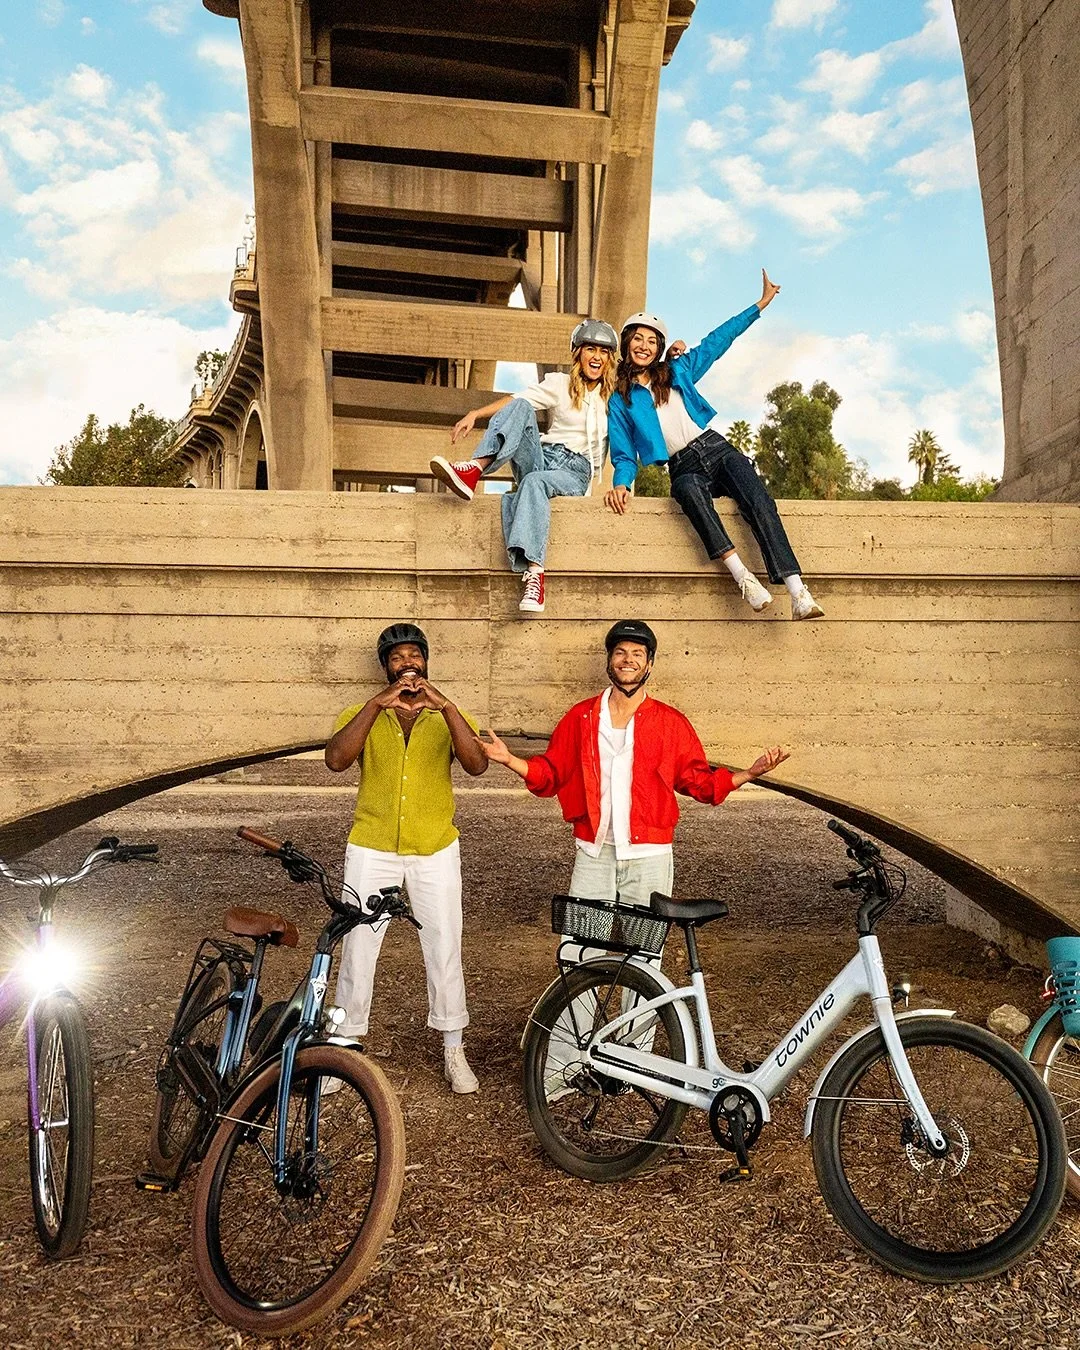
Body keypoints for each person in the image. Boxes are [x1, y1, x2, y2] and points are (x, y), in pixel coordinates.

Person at [479, 619, 788, 919]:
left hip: (649, 856)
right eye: (620, 652)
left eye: (637, 653)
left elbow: (699, 783)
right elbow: (550, 773)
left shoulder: (670, 723)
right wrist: (510, 759)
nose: (628, 660)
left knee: (642, 947)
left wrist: (749, 773)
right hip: (594, 852)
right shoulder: (581, 717)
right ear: (610, 661)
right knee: (579, 944)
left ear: (649, 664)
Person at [324, 623, 488, 1094]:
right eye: (397, 658)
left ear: (426, 662)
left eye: (414, 655)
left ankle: (453, 1048)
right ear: (386, 668)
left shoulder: (448, 714)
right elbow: (336, 760)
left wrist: (446, 707)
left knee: (444, 946)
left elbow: (477, 765)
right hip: (372, 845)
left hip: (434, 847)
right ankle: (344, 1046)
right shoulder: (362, 712)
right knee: (358, 946)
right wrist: (377, 705)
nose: (407, 663)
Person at [605, 271, 825, 621]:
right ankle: (744, 578)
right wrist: (621, 483)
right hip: (683, 465)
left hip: (716, 448)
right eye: (638, 339)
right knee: (687, 493)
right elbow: (622, 452)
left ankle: (798, 592)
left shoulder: (678, 371)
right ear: (627, 343)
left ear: (659, 348)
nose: (644, 346)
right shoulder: (621, 399)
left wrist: (760, 305)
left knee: (759, 501)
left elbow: (718, 340)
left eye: (652, 341)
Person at [428, 319, 622, 616]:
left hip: (574, 471)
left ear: (610, 359)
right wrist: (475, 413)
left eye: (604, 351)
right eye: (590, 349)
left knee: (534, 483)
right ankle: (474, 470)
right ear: (578, 353)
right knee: (519, 407)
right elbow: (516, 399)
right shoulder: (559, 384)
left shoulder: (616, 398)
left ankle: (535, 575)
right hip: (543, 456)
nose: (597, 357)